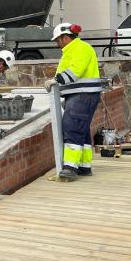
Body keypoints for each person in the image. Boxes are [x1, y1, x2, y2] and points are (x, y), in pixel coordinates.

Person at [44, 23, 101, 179]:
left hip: (82, 95)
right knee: (81, 129)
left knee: (72, 127)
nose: (57, 44)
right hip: (80, 95)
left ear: (65, 37)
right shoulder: (75, 49)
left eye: (58, 40)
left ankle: (70, 168)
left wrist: (56, 80)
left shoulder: (80, 48)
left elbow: (76, 70)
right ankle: (83, 166)